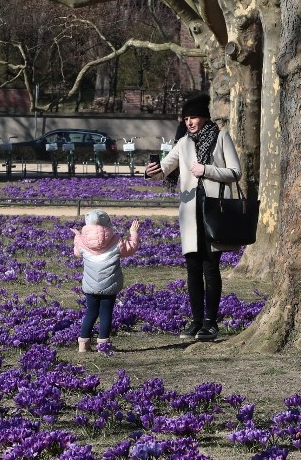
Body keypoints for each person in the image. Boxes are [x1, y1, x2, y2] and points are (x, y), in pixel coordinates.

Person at [144, 94, 241, 341]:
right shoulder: (183, 143)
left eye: (193, 117)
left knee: (210, 268)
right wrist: (151, 172)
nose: (189, 122)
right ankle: (196, 320)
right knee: (192, 269)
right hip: (190, 215)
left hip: (213, 213)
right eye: (186, 118)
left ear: (204, 117)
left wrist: (206, 170)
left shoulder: (221, 137)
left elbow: (235, 172)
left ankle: (211, 323)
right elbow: (165, 169)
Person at [71, 210, 141, 352]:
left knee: (90, 312)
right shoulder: (116, 240)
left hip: (90, 285)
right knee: (105, 314)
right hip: (109, 285)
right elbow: (131, 248)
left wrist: (78, 236)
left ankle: (83, 343)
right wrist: (133, 233)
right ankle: (103, 344)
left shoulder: (82, 241)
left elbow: (77, 253)